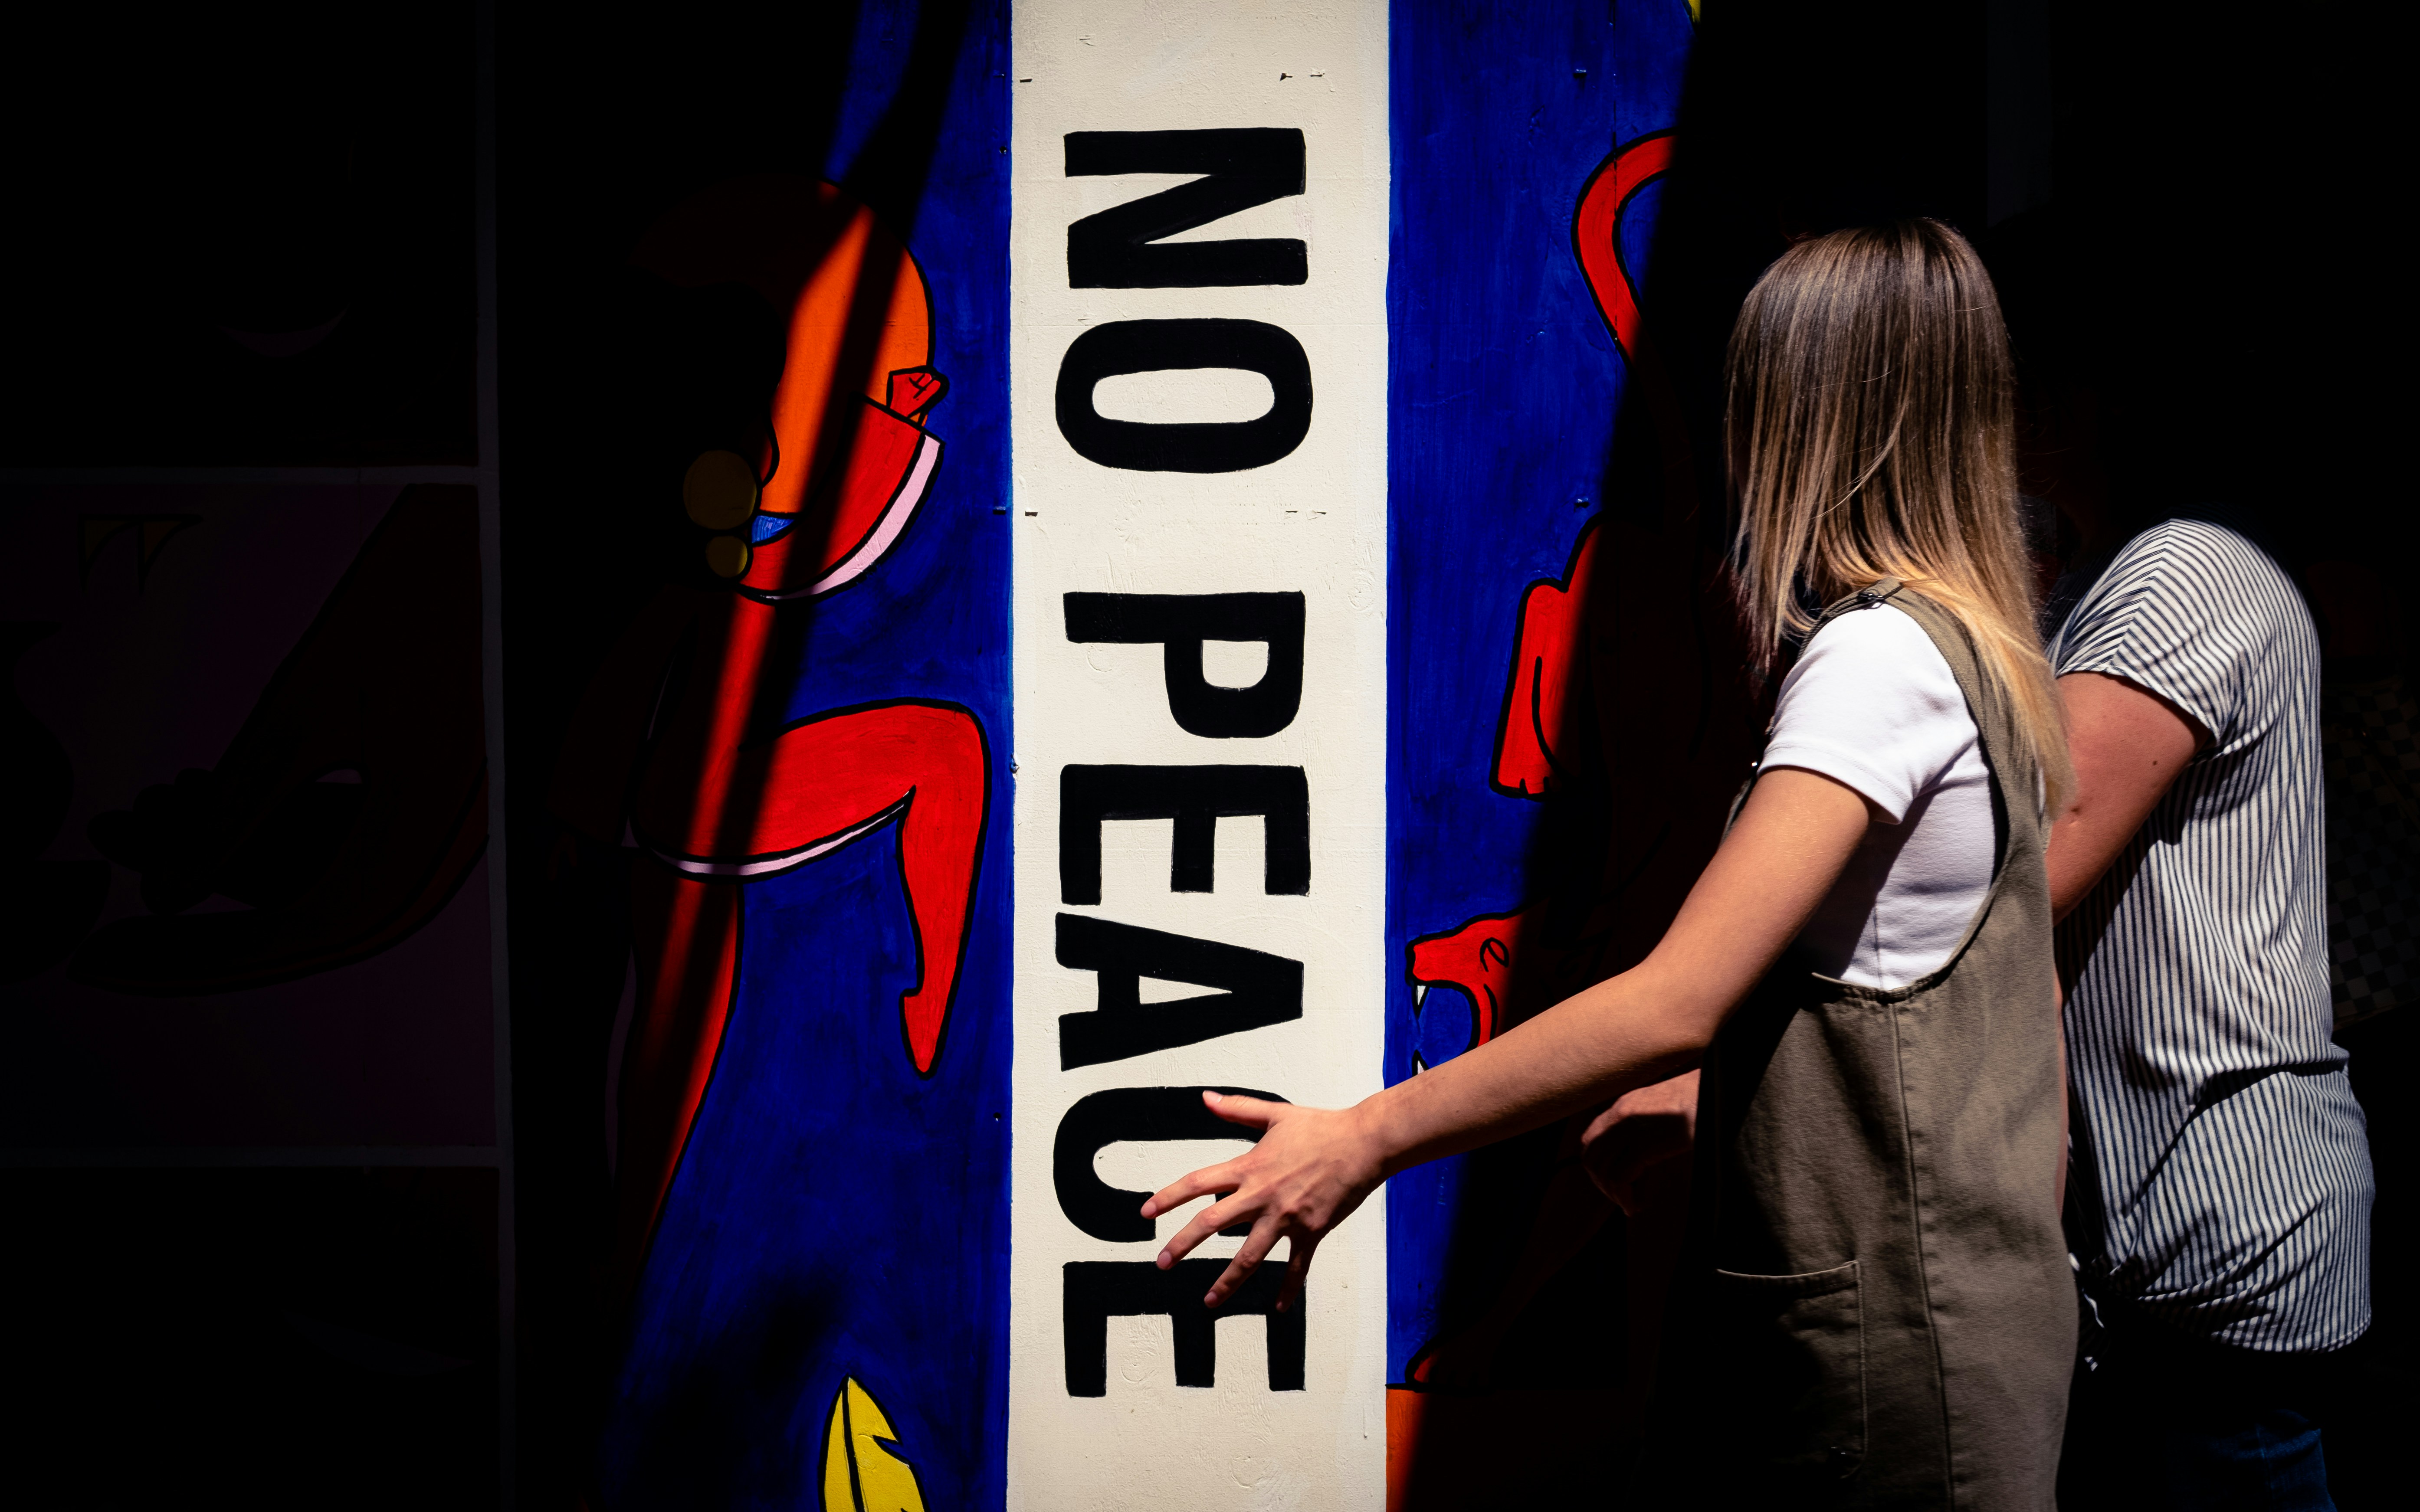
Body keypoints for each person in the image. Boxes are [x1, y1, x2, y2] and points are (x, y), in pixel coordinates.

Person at [1147, 220, 2077, 1505]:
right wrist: (1742, 1100)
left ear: (1798, 413)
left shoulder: (1873, 664)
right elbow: (1972, 993)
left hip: (1891, 1358)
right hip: (1974, 1322)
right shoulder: (1976, 645)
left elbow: (1673, 998)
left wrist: (1359, 1138)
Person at [2025, 386, 2374, 1509]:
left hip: (2210, 1216)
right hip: (2156, 1222)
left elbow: (2024, 866)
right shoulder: (2100, 571)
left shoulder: (2186, 567)